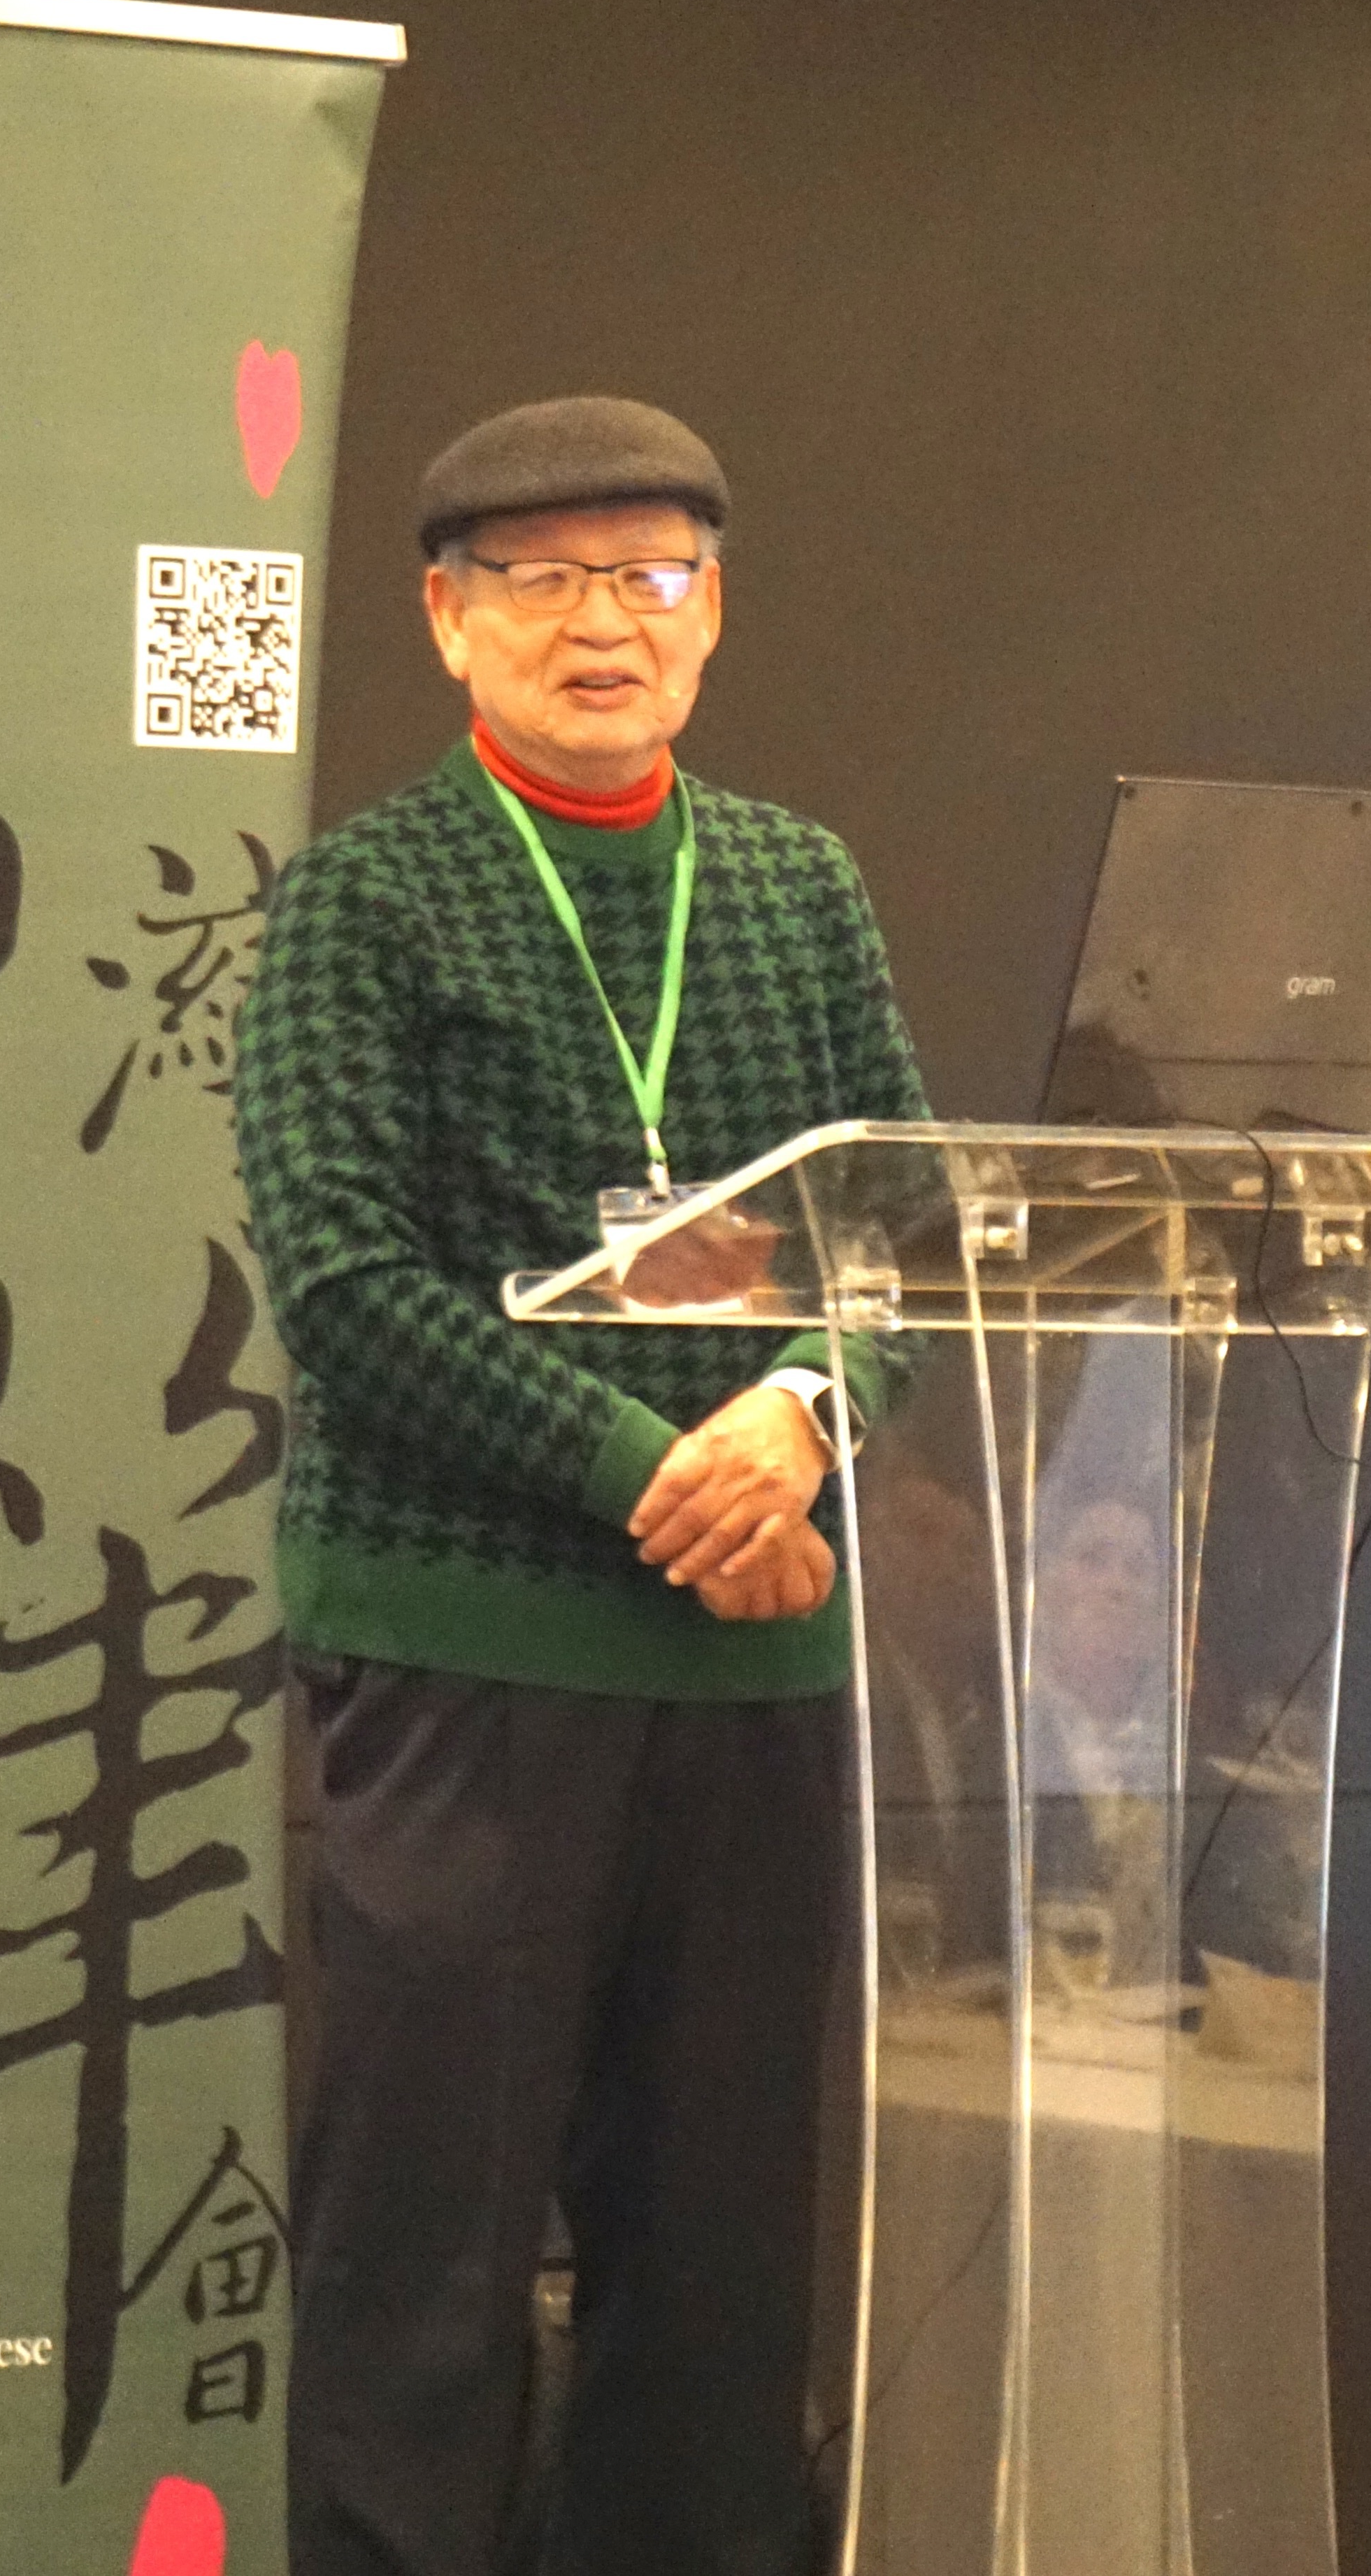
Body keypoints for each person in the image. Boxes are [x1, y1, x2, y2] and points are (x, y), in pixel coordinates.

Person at [235, 396, 928, 2576]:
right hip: (469, 1675)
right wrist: (667, 1479)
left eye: (648, 574)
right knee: (421, 2276)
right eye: (539, 580)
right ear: (449, 623)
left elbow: (908, 1239)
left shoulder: (802, 886)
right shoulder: (364, 898)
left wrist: (805, 1416)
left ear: (713, 614)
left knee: (719, 2291)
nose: (600, 621)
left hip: (754, 1685)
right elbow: (344, 1283)